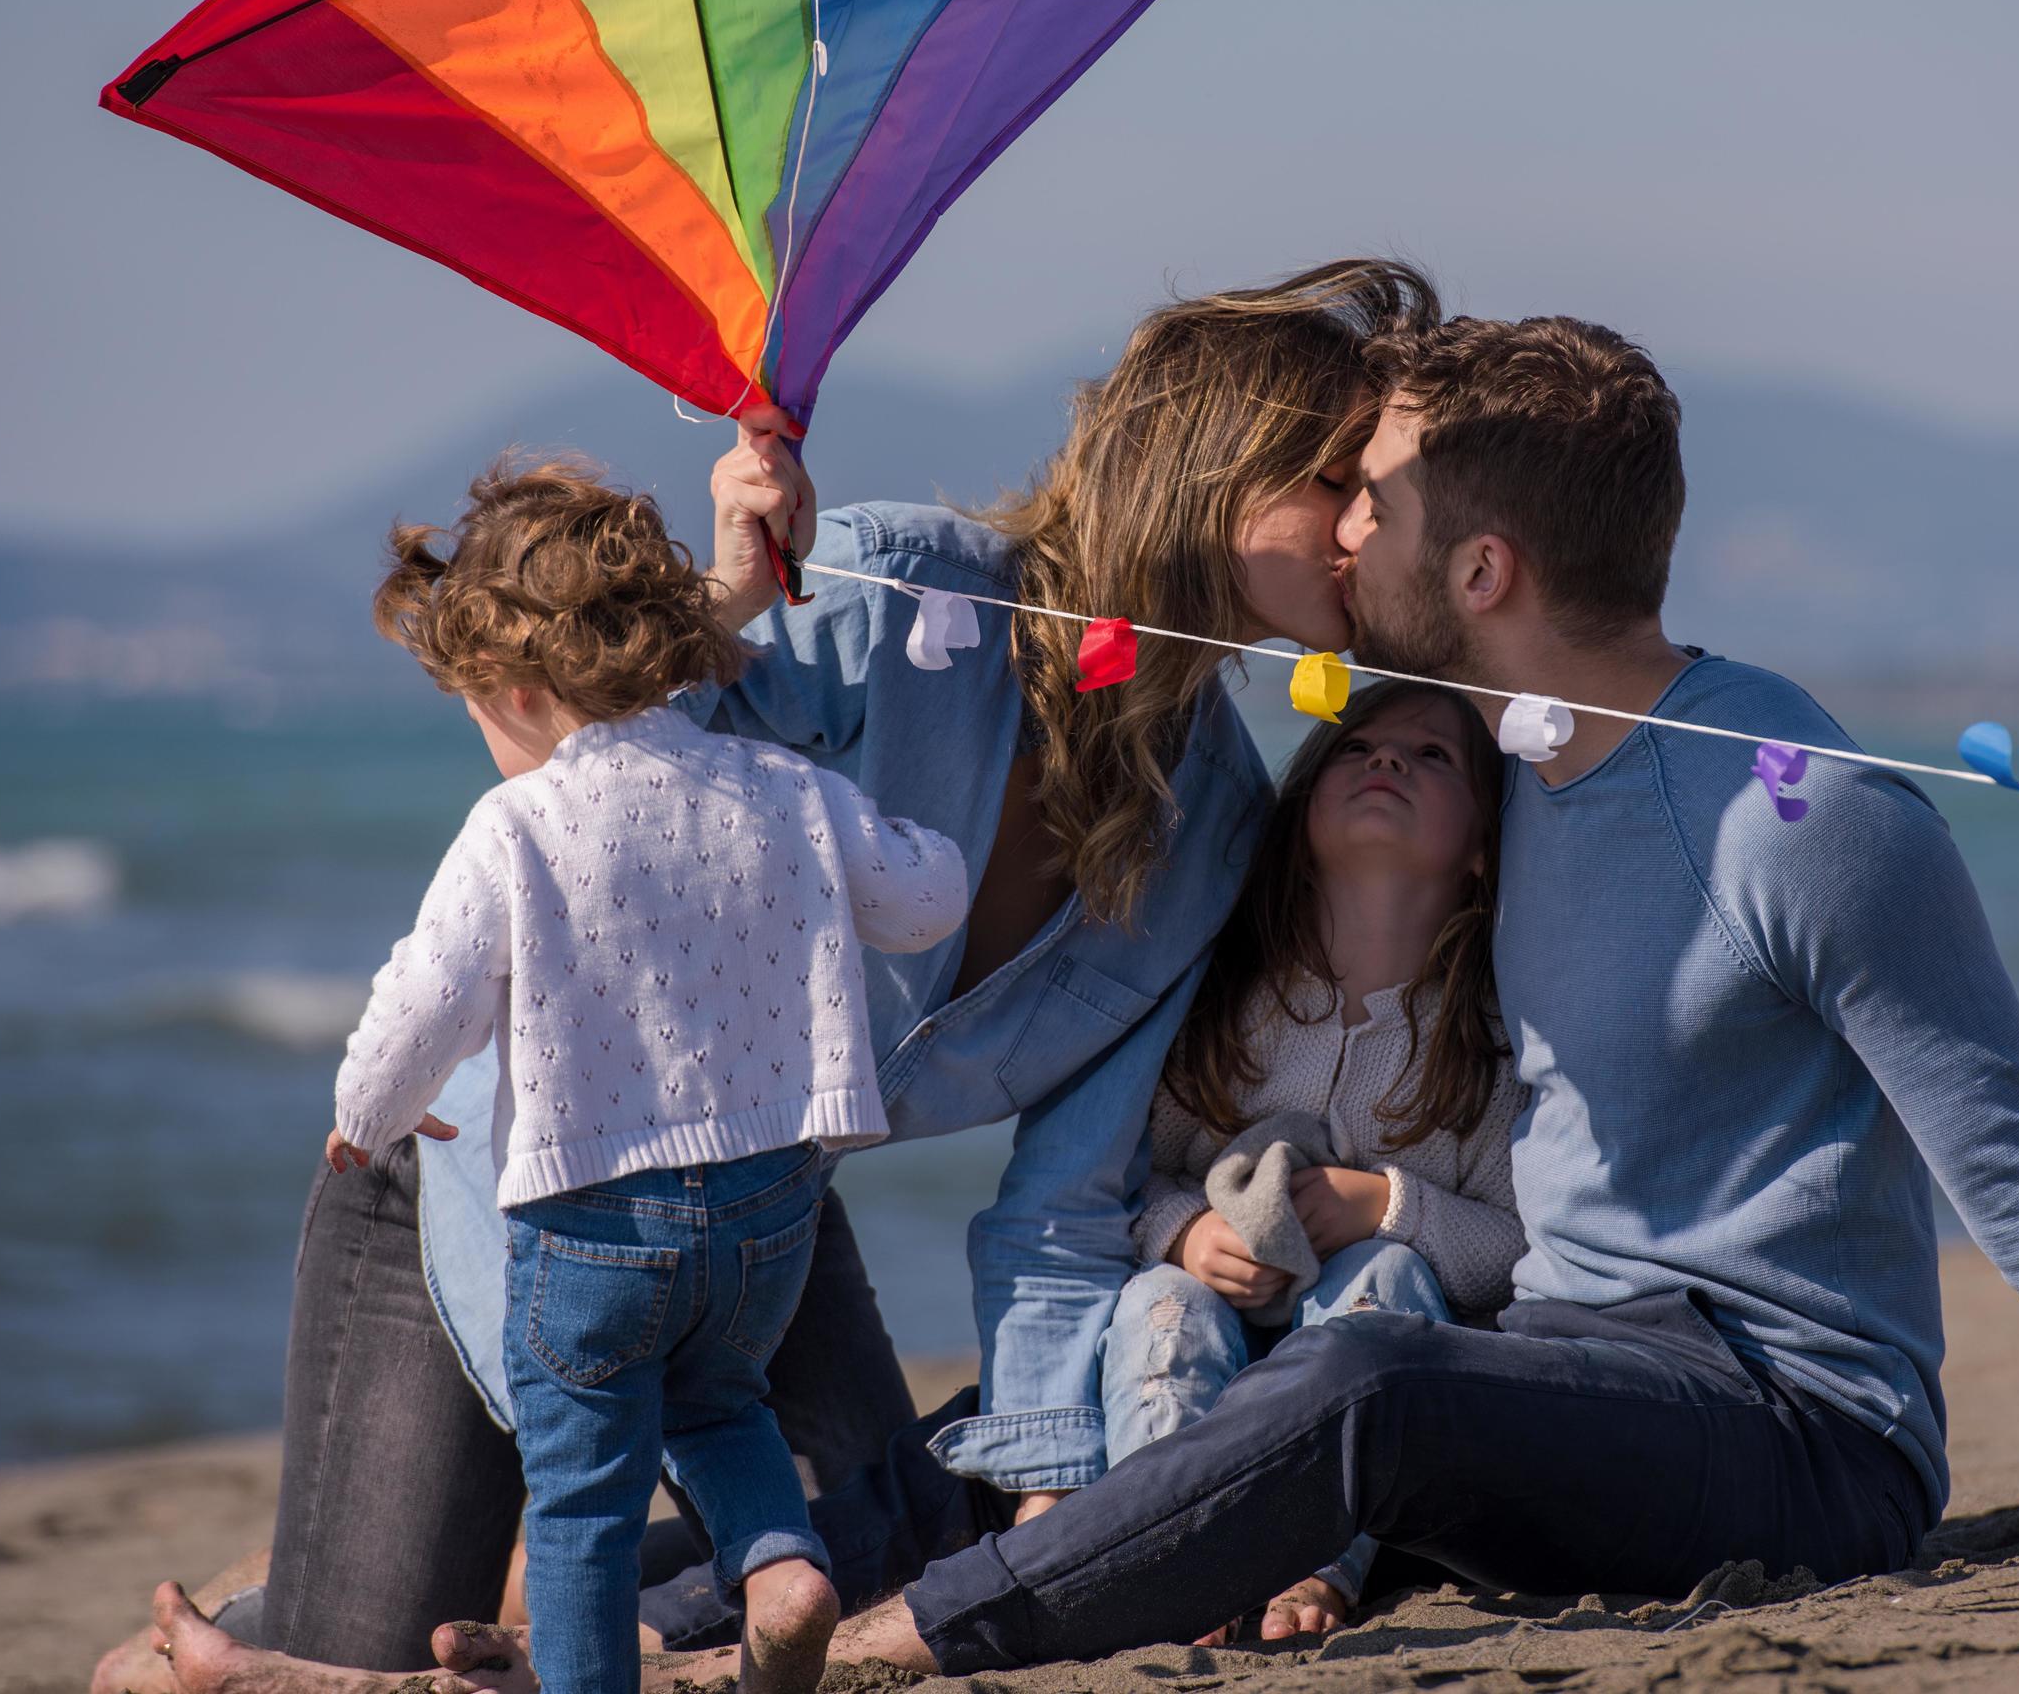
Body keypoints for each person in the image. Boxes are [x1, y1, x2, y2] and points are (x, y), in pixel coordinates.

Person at [100, 257, 1439, 1693]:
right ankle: (257, 1629)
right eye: (1340, 481)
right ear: (1213, 478)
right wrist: (722, 606)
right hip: (480, 1168)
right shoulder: (882, 599)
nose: (1376, 525)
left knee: (864, 1551)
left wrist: (1061, 1500)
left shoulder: (1220, 831)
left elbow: (1066, 1204)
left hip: (745, 1221)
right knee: (359, 1633)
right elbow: (569, 794)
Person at [321, 458, 970, 1694]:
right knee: (721, 1401)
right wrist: (879, 829)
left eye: (472, 704)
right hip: (769, 1213)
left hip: (594, 1226)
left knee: (579, 1506)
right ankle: (783, 1567)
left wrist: (368, 1116)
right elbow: (924, 896)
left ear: (514, 685)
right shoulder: (783, 787)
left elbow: (422, 1001)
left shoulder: (514, 827)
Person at [1112, 680, 1524, 1642]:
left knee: (1388, 1269)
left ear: (1481, 849)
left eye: (1433, 757)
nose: (1387, 761)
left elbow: (1519, 1249)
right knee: (1154, 1303)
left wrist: (1389, 1205)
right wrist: (1185, 1235)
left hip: (1386, 1383)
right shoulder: (1228, 1008)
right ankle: (1160, 1549)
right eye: (1357, 747)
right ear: (1299, 818)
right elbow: (1124, 1185)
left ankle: (1314, 1557)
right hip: (1219, 1343)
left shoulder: (1487, 1043)